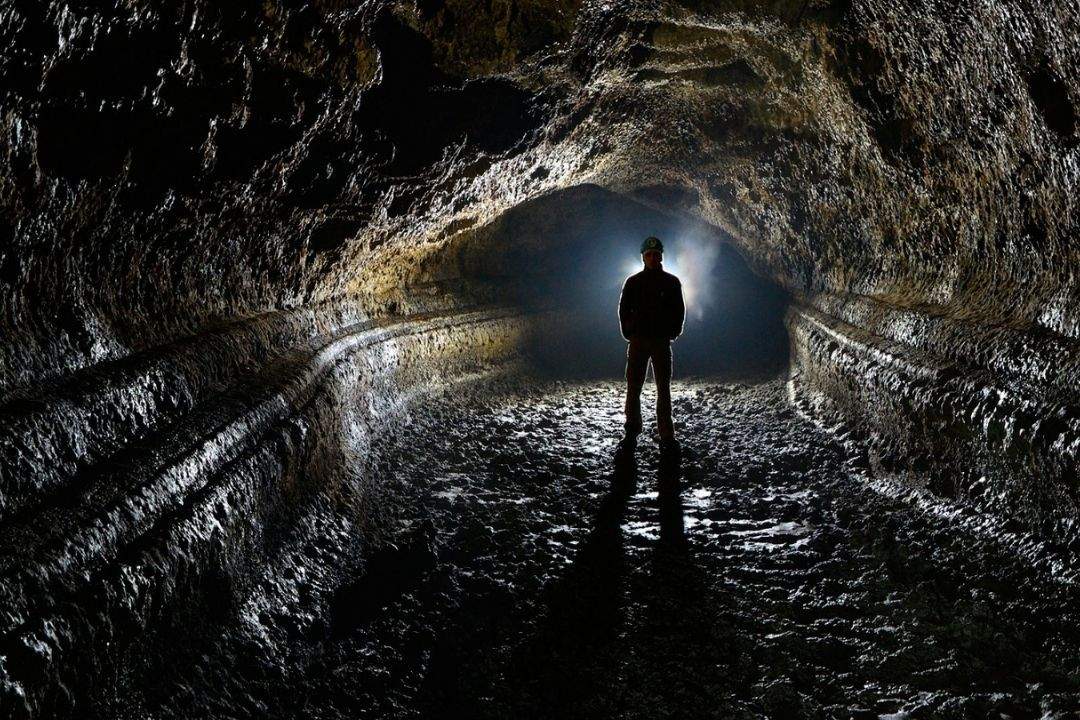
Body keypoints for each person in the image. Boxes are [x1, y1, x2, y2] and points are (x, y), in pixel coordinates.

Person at [617, 236, 685, 459]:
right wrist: (629, 333)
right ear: (643, 257)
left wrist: (672, 332)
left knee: (663, 387)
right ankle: (632, 430)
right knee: (634, 386)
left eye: (656, 254)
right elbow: (623, 309)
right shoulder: (633, 282)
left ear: (661, 256)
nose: (653, 258)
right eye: (649, 255)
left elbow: (679, 310)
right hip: (639, 341)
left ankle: (666, 434)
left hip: (660, 342)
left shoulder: (671, 282)